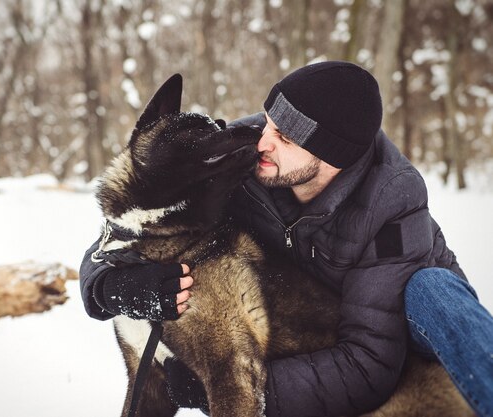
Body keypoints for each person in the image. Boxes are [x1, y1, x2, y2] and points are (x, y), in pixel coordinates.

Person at [79, 61, 493, 417]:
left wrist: (237, 385)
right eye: (268, 122)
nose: (263, 141)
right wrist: (109, 285)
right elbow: (137, 212)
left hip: (406, 338)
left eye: (285, 138)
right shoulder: (254, 154)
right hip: (308, 328)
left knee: (431, 289)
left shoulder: (392, 203)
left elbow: (370, 363)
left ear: (331, 157)